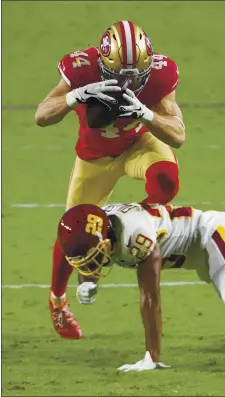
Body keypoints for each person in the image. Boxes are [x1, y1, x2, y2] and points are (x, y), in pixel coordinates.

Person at [34, 21, 185, 337]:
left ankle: (126, 225)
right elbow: (42, 115)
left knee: (166, 179)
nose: (125, 83)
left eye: (134, 77)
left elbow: (178, 135)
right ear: (101, 64)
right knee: (72, 232)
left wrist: (145, 113)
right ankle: (58, 301)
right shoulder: (81, 67)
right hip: (95, 156)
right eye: (117, 76)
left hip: (137, 144)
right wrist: (77, 95)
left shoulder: (161, 73)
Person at [57, 202, 225, 370]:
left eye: (92, 259)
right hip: (204, 253)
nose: (89, 266)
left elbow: (150, 297)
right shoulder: (104, 230)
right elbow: (89, 256)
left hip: (213, 235)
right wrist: (88, 282)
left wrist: (151, 357)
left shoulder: (134, 235)